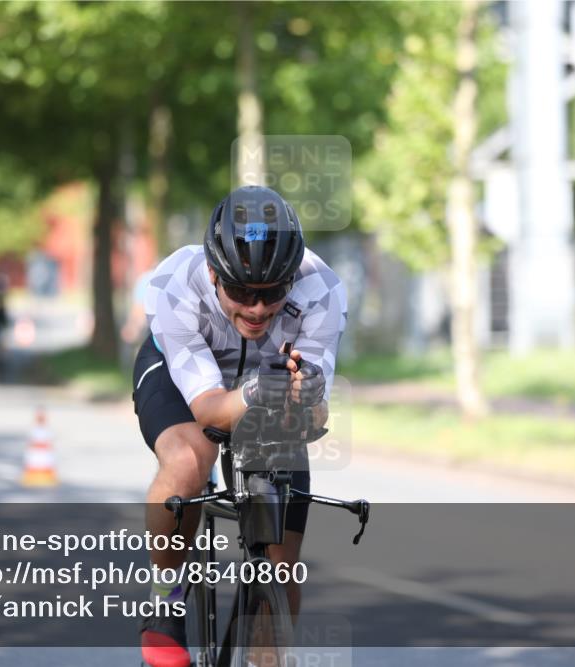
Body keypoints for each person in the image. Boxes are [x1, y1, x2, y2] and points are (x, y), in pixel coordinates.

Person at [133, 185, 347, 667]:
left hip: (269, 385)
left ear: (292, 278)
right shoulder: (174, 283)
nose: (256, 308)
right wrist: (251, 392)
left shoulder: (322, 291)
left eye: (272, 293)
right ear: (213, 273)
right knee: (188, 459)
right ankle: (165, 598)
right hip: (184, 379)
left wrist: (307, 400)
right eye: (241, 292)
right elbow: (209, 409)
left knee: (282, 569)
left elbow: (314, 420)